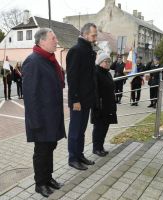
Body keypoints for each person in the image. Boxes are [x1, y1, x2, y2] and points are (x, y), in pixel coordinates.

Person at [23, 28, 66, 198]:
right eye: (53, 38)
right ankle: (40, 184)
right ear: (42, 41)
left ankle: (48, 178)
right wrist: (35, 122)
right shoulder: (33, 61)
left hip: (52, 116)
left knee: (50, 148)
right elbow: (30, 95)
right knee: (41, 151)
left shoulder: (49, 59)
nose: (56, 41)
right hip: (41, 119)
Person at [66, 23, 97, 171]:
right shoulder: (76, 51)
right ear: (85, 35)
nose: (95, 38)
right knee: (75, 130)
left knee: (82, 130)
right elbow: (72, 79)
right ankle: (72, 158)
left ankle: (80, 155)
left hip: (87, 99)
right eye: (93, 35)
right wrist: (75, 100)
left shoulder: (89, 51)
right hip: (78, 101)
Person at [91, 52, 117, 157]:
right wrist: (97, 105)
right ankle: (96, 148)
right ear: (100, 62)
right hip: (100, 106)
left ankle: (101, 147)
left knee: (105, 127)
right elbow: (95, 91)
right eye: (105, 61)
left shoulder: (107, 73)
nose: (107, 63)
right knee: (98, 128)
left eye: (109, 61)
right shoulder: (96, 72)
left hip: (108, 105)